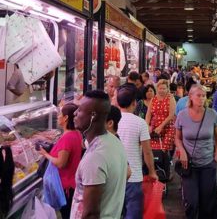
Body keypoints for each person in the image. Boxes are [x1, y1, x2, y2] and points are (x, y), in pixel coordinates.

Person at [72, 90, 127, 219]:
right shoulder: (114, 142)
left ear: (93, 116)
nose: (75, 113)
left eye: (79, 110)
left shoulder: (95, 158)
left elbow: (91, 213)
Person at [175, 84, 217, 219]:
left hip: (208, 164)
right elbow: (177, 138)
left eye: (204, 96)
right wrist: (182, 152)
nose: (201, 99)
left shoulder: (212, 114)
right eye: (198, 96)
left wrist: (216, 158)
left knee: (208, 203)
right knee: (192, 202)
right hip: (189, 166)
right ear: (190, 97)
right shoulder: (182, 115)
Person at [117, 84, 158, 219]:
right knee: (133, 214)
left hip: (114, 177)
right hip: (134, 177)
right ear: (134, 103)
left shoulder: (111, 121)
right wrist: (152, 172)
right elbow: (147, 152)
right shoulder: (140, 123)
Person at [37, 103, 82, 219]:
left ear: (66, 117)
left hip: (65, 187)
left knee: (66, 215)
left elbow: (61, 163)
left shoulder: (67, 138)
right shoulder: (77, 133)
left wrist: (45, 154)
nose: (58, 117)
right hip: (72, 183)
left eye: (60, 115)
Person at [146, 79, 177, 152]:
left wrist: (161, 126)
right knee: (154, 151)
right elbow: (148, 114)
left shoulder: (170, 98)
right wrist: (147, 126)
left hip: (168, 128)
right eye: (160, 88)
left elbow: (171, 115)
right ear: (157, 88)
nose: (162, 90)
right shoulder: (153, 99)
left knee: (163, 151)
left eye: (164, 88)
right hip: (154, 129)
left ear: (167, 89)